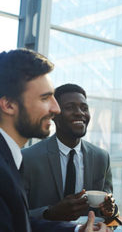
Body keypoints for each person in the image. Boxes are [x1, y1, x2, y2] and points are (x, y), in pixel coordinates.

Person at [0, 48, 110, 232]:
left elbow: (18, 223)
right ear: (9, 105)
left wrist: (76, 230)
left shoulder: (10, 160)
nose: (56, 109)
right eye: (45, 98)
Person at [22, 83, 118, 221]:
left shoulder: (101, 158)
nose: (79, 112)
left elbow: (110, 208)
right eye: (69, 107)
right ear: (54, 114)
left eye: (84, 108)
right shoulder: (28, 159)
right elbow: (13, 215)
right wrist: (50, 213)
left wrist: (110, 210)